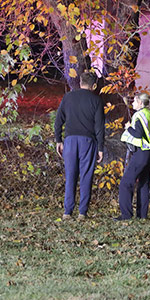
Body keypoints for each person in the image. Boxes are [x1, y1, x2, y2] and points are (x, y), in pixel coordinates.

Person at [54, 71, 105, 220]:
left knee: (70, 176)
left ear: (80, 82)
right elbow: (99, 127)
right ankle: (82, 212)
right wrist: (101, 148)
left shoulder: (68, 97)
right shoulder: (96, 101)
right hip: (87, 142)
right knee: (86, 176)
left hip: (70, 141)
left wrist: (59, 140)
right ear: (94, 85)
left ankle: (67, 212)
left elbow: (58, 121)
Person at [117, 92, 150, 220]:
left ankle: (126, 215)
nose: (132, 104)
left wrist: (129, 127)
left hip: (142, 153)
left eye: (134, 101)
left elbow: (138, 133)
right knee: (144, 183)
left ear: (140, 103)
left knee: (126, 183)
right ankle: (142, 215)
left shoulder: (139, 115)